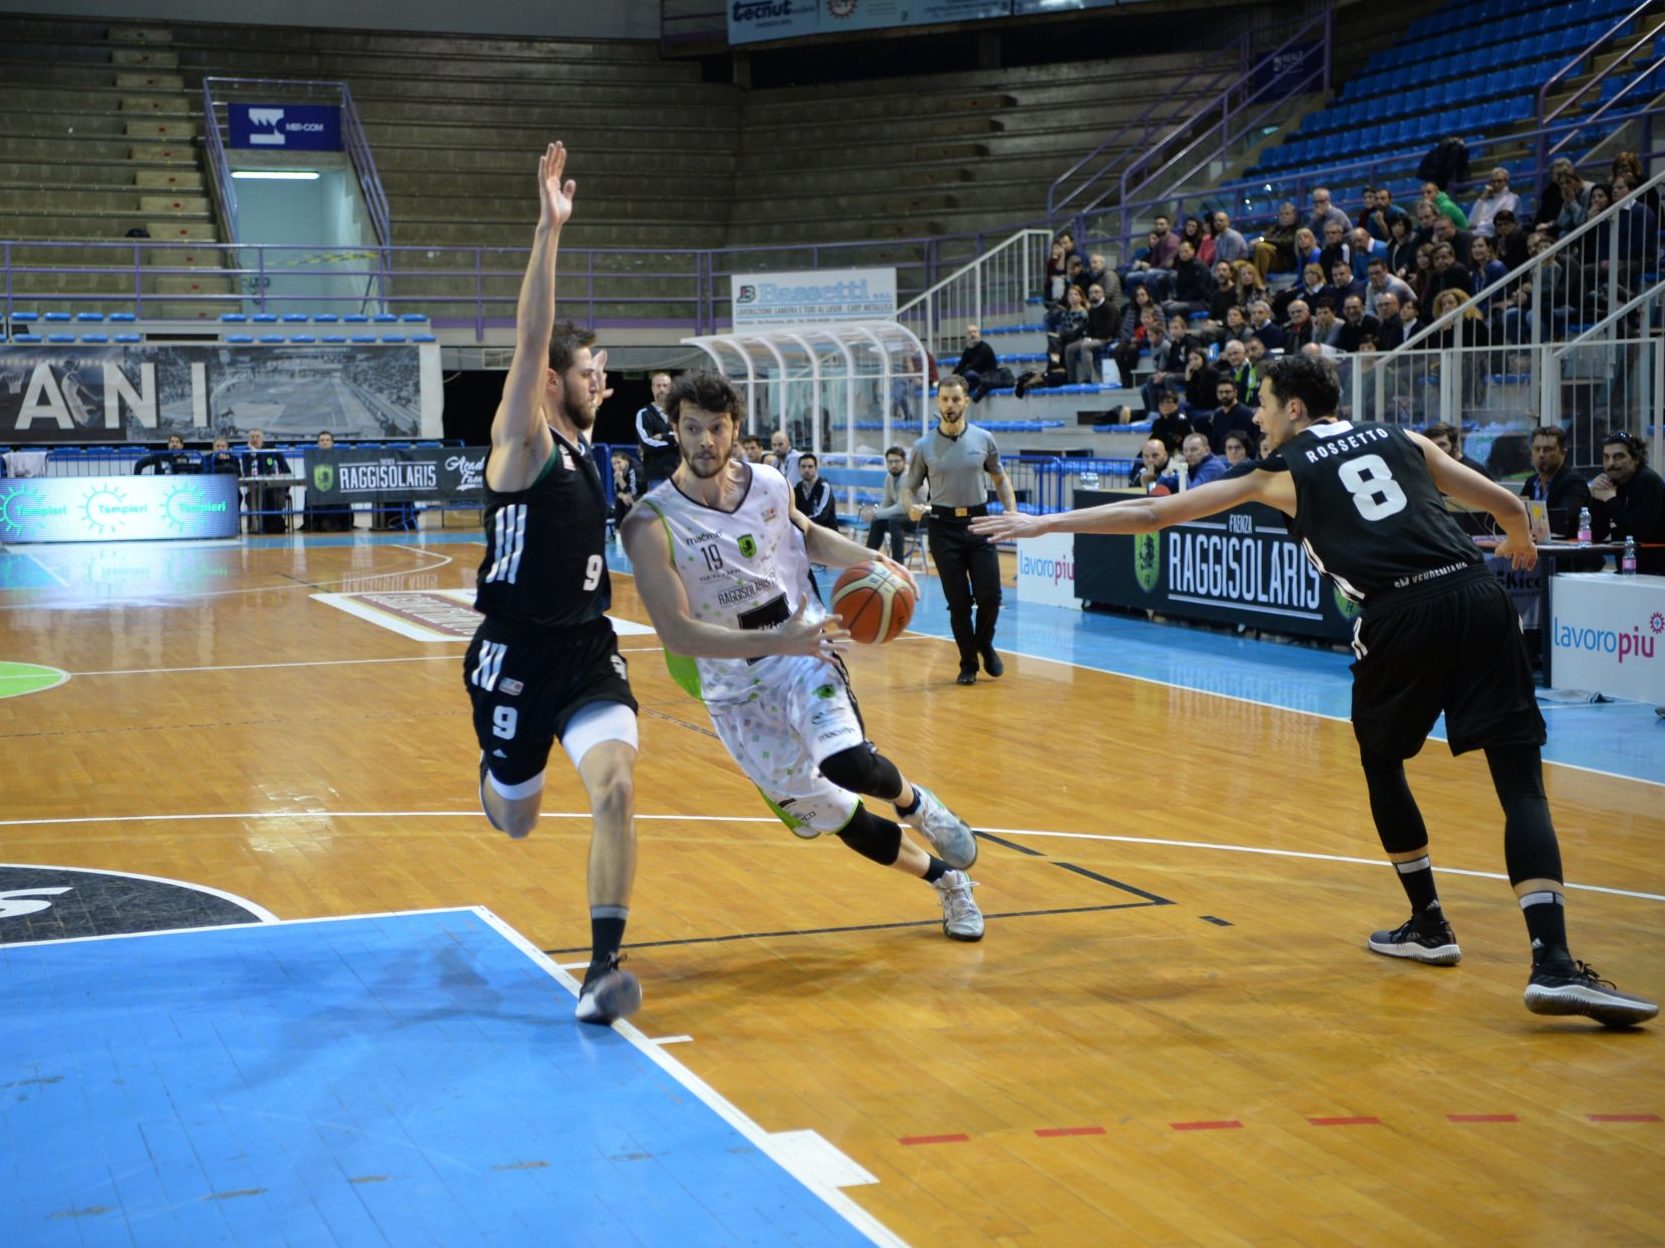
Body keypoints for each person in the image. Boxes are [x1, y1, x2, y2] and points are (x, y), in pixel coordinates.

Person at [972, 354, 1657, 1028]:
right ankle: (1552, 961)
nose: (1259, 417)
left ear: (1294, 409)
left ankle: (1427, 922)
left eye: (1264, 404)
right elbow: (1508, 504)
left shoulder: (1280, 468)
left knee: (1382, 761)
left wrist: (1042, 524)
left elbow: (1154, 517)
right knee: (1520, 784)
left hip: (1398, 611)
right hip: (1476, 597)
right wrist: (1516, 542)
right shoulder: (1402, 438)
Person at [619, 370, 985, 942]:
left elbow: (808, 536)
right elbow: (678, 634)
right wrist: (774, 642)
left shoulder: (767, 484)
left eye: (717, 428)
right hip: (732, 687)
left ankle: (920, 806)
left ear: (736, 428)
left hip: (804, 651)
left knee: (848, 762)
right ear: (675, 431)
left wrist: (873, 560)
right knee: (837, 815)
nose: (706, 441)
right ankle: (946, 883)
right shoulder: (649, 522)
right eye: (692, 428)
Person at [462, 142, 642, 1027]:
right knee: (517, 819)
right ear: (548, 382)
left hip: (587, 651)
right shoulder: (522, 442)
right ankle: (493, 779)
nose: (600, 379)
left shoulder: (591, 452)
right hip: (513, 658)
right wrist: (547, 230)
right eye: (586, 370)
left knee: (615, 787)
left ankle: (602, 968)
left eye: (602, 369)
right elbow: (532, 333)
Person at [902, 373, 1017, 685]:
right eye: (944, 399)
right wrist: (910, 505)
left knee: (991, 596)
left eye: (955, 399)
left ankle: (984, 644)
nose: (949, 405)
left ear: (966, 401)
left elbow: (1000, 479)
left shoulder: (984, 439)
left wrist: (1012, 512)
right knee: (959, 603)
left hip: (980, 522)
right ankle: (968, 663)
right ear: (937, 402)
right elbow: (909, 488)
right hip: (943, 526)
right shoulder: (924, 446)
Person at [1591, 432, 1665, 574]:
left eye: (1618, 456)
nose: (1611, 463)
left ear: (1636, 459)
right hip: (1626, 569)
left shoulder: (1648, 482)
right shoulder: (1612, 483)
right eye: (1606, 457)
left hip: (1654, 572)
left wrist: (1610, 500)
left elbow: (1636, 532)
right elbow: (1597, 533)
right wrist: (1596, 497)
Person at [1517, 425, 1589, 542]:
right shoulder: (1531, 482)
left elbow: (1563, 519)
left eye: (1548, 449)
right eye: (1537, 449)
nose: (1541, 454)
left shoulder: (1573, 482)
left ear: (1563, 453)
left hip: (1567, 554)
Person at [865, 444, 917, 563]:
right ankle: (868, 561)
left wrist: (876, 513)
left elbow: (902, 508)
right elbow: (886, 502)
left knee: (894, 521)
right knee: (878, 521)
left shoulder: (909, 476)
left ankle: (898, 565)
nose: (893, 465)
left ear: (904, 461)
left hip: (923, 515)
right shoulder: (889, 476)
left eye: (897, 461)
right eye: (890, 462)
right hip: (906, 516)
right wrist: (876, 514)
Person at [239, 428, 292, 534]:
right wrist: (253, 453)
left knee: (276, 494)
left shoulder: (272, 450)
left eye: (257, 436)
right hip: (256, 488)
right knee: (256, 496)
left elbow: (287, 470)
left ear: (262, 438)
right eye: (252, 437)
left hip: (274, 486)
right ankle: (259, 525)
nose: (255, 439)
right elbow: (246, 472)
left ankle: (274, 523)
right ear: (248, 440)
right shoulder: (246, 453)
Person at [302, 430, 354, 533]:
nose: (325, 442)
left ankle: (337, 523)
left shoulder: (340, 457)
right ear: (318, 443)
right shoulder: (312, 457)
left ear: (332, 443)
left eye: (327, 440)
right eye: (322, 440)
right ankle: (314, 523)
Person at [635, 370, 679, 488]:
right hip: (656, 477)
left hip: (679, 474)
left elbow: (685, 438)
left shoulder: (679, 413)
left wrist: (663, 437)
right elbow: (646, 443)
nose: (662, 389)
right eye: (658, 386)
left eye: (665, 386)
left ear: (670, 388)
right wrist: (673, 442)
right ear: (652, 388)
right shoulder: (643, 414)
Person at [1193, 377, 1257, 455]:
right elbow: (1215, 441)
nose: (1224, 395)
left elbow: (1245, 444)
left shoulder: (1244, 413)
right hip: (1219, 455)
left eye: (1227, 392)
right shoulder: (1217, 413)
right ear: (1216, 394)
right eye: (1220, 392)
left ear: (1235, 393)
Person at [794, 452, 839, 531]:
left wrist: (800, 521)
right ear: (799, 468)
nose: (806, 470)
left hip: (826, 533)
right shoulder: (798, 487)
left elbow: (822, 515)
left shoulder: (824, 487)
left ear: (816, 469)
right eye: (803, 466)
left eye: (810, 467)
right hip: (807, 531)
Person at [610, 449, 641, 529]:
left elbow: (633, 492)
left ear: (625, 460)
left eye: (618, 462)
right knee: (619, 501)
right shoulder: (618, 471)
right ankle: (618, 531)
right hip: (629, 495)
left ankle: (630, 529)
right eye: (614, 464)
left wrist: (620, 479)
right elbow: (617, 492)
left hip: (642, 494)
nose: (616, 466)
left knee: (629, 500)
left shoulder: (635, 469)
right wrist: (623, 496)